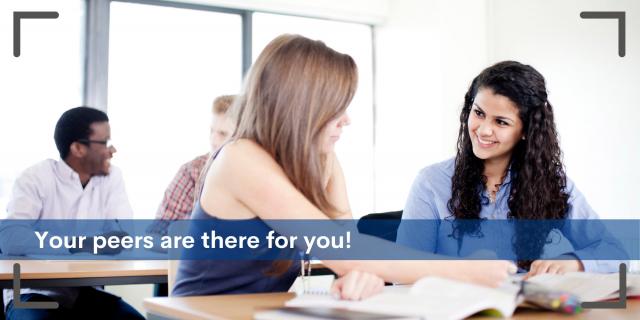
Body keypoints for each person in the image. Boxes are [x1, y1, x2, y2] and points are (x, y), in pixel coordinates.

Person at [172, 34, 516, 301]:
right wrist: (465, 271)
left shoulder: (324, 160)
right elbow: (347, 252)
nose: (346, 120)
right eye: (337, 108)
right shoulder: (240, 159)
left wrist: (359, 273)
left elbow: (349, 248)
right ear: (301, 107)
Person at [396, 61, 627, 277]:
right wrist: (463, 271)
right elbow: (402, 272)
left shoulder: (552, 182)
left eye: (501, 122)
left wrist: (574, 262)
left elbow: (616, 254)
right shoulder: (431, 181)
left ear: (526, 131)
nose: (483, 130)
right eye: (479, 113)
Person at [0, 107, 143, 319]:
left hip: (86, 292)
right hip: (33, 294)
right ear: (77, 148)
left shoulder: (112, 178)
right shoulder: (35, 178)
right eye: (104, 143)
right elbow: (11, 238)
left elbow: (124, 237)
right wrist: (77, 245)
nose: (112, 150)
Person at [147, 95, 236, 237]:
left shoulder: (260, 175)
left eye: (223, 134)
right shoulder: (192, 171)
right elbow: (155, 234)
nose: (213, 140)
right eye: (211, 131)